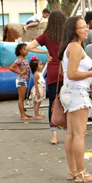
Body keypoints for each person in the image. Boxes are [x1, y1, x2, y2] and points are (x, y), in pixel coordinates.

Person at [59, 16, 92, 183]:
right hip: (77, 92)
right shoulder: (76, 47)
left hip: (70, 91)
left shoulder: (71, 47)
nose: (86, 29)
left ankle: (73, 171)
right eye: (82, 27)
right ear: (73, 30)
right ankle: (81, 173)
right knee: (79, 134)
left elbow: (68, 75)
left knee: (71, 134)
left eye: (86, 26)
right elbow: (72, 74)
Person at [26, 9, 66, 144]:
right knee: (70, 101)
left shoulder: (46, 35)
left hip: (53, 70)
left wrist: (45, 52)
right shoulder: (67, 35)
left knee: (53, 103)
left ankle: (54, 134)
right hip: (67, 70)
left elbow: (29, 47)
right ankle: (71, 131)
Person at [9, 42, 32, 120]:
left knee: (22, 98)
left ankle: (23, 113)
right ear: (20, 51)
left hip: (24, 79)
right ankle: (22, 115)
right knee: (21, 98)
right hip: (21, 79)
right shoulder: (19, 59)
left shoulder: (24, 59)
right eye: (25, 49)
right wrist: (20, 72)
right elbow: (11, 68)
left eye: (27, 49)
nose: (27, 51)